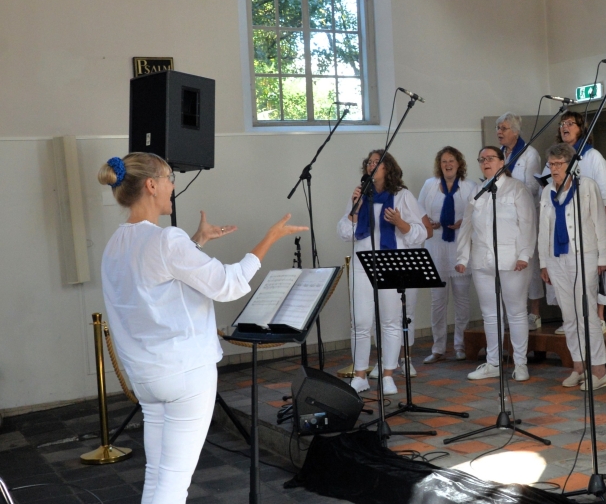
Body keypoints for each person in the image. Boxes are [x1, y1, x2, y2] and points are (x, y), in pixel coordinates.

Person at [98, 153, 306, 504]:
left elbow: (158, 277)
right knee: (173, 486)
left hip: (146, 377)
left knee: (157, 475)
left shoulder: (116, 244)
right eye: (169, 178)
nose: (172, 185)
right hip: (185, 374)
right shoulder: (167, 240)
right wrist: (270, 238)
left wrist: (196, 241)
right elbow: (229, 284)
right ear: (151, 185)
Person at [338, 150, 427, 396]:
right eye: (369, 162)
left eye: (377, 162)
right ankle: (360, 376)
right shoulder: (359, 195)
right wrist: (355, 210)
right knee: (361, 322)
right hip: (362, 263)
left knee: (390, 321)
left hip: (391, 261)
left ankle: (388, 375)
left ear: (388, 168)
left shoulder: (402, 196)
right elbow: (344, 232)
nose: (372, 165)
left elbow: (421, 233)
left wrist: (400, 223)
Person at [455, 146, 537, 381]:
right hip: (482, 260)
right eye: (481, 159)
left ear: (502, 162)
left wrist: (525, 255)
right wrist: (462, 257)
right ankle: (493, 363)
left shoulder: (516, 189)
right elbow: (466, 226)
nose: (485, 162)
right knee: (490, 315)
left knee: (516, 313)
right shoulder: (478, 191)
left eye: (490, 158)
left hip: (513, 260)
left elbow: (528, 224)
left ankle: (520, 363)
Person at [538, 143, 606, 390]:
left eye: (559, 164)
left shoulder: (587, 186)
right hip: (557, 258)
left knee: (586, 313)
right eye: (551, 164)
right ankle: (579, 367)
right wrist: (543, 262)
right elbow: (543, 230)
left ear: (570, 165)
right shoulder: (547, 191)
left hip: (584, 255)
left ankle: (599, 370)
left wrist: (604, 258)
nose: (554, 169)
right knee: (568, 315)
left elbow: (600, 222)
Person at [540, 111, 606, 332]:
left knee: (590, 286)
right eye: (562, 123)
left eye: (570, 123)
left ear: (581, 128)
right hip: (560, 230)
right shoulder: (553, 158)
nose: (565, 127)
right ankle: (571, 322)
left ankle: (598, 318)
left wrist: (592, 225)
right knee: (567, 289)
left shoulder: (593, 156)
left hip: (587, 232)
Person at [418, 147, 479, 364]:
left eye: (451, 160)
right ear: (439, 165)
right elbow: (419, 212)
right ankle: (438, 348)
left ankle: (460, 346)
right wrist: (429, 223)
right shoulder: (430, 185)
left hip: (460, 246)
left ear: (459, 163)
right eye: (444, 161)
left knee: (462, 300)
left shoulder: (470, 186)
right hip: (436, 246)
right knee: (437, 301)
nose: (448, 164)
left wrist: (465, 222)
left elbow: (478, 213)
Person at [496, 112, 545, 331]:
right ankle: (514, 311)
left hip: (524, 213)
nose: (499, 132)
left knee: (529, 265)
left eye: (503, 128)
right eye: (498, 128)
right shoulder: (498, 153)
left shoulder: (529, 154)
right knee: (508, 263)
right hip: (504, 216)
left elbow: (534, 187)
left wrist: (509, 182)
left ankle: (534, 313)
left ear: (515, 132)